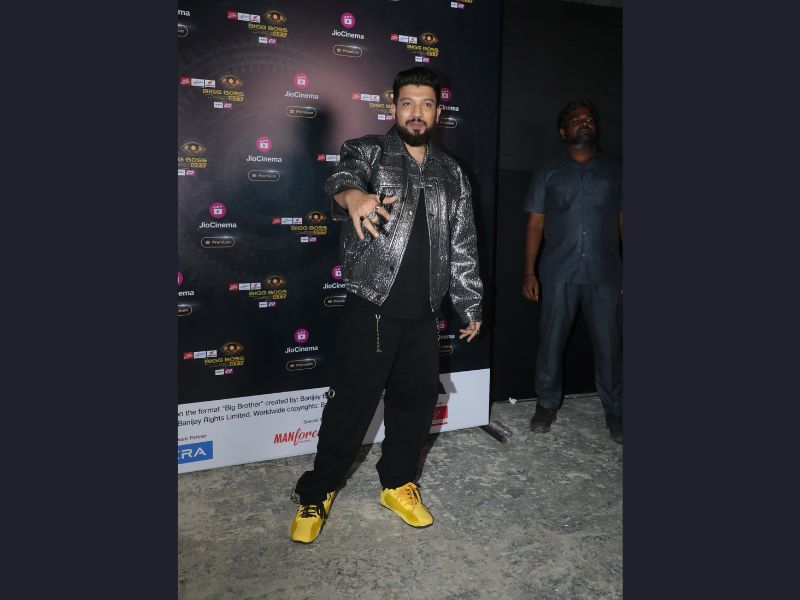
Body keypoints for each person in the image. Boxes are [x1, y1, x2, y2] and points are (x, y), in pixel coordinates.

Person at [290, 66, 484, 543]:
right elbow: (343, 178)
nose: (417, 113)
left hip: (424, 314)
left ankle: (397, 484)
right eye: (408, 103)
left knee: (414, 406)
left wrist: (470, 302)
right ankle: (318, 490)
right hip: (372, 307)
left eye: (426, 104)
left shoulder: (453, 173)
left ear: (437, 112)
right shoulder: (368, 151)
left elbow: (463, 244)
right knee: (350, 407)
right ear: (393, 106)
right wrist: (355, 197)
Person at [521, 100, 623, 444]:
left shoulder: (616, 170)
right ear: (563, 131)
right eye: (577, 119)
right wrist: (529, 273)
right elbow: (535, 224)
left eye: (590, 118)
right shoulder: (547, 172)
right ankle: (546, 404)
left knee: (610, 344)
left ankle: (615, 409)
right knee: (550, 342)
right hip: (558, 272)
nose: (585, 122)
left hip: (606, 272)